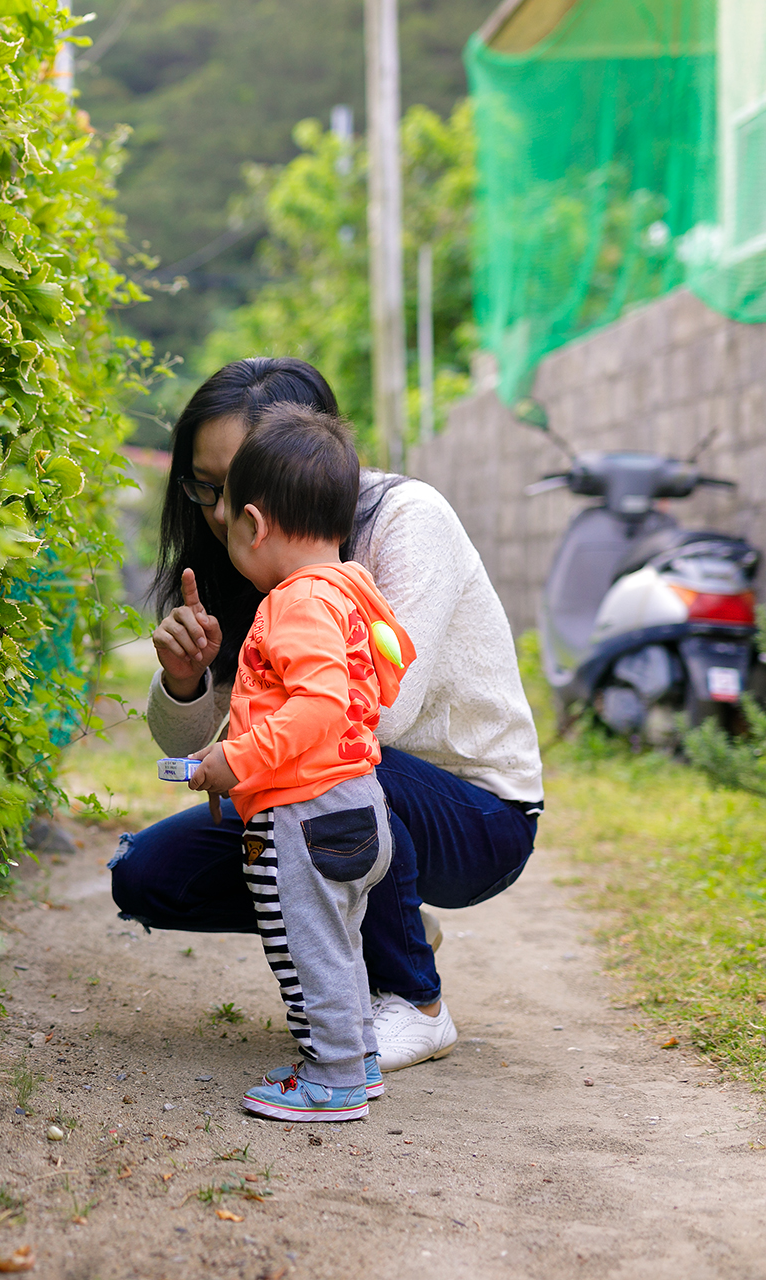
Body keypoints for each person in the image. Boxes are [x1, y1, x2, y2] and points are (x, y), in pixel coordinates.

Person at [112, 357, 544, 1072]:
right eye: (205, 488)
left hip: (477, 815)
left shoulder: (407, 521)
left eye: (237, 486)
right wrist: (186, 681)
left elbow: (373, 717)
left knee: (336, 773)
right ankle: (383, 914)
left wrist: (245, 755)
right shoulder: (249, 557)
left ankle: (416, 1002)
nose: (221, 515)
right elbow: (209, 731)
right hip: (343, 790)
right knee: (149, 875)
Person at [183, 405, 413, 1120]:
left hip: (306, 816)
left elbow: (315, 707)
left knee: (306, 952)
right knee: (338, 945)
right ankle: (360, 1061)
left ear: (253, 522)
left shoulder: (294, 602)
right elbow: (390, 670)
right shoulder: (352, 590)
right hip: (356, 800)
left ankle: (334, 1079)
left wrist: (240, 759)